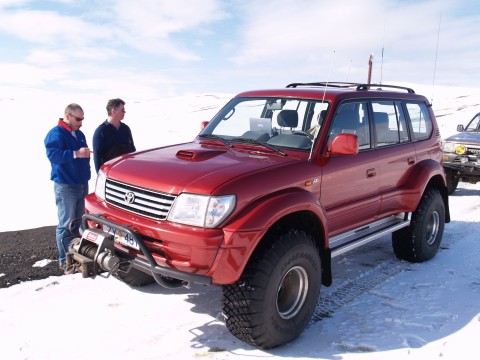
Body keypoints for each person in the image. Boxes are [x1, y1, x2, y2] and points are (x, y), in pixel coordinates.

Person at [44, 103, 91, 270]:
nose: (81, 122)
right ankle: (65, 261)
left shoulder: (79, 134)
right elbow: (53, 155)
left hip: (81, 183)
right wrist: (76, 154)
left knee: (78, 223)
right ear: (68, 116)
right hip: (66, 186)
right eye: (78, 119)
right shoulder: (56, 134)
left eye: (82, 119)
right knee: (66, 224)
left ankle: (77, 256)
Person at [92, 98, 136, 173]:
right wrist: (101, 176)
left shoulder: (125, 128)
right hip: (112, 175)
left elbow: (132, 149)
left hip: (128, 172)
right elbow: (97, 157)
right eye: (122, 110)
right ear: (113, 111)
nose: (124, 112)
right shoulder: (100, 131)